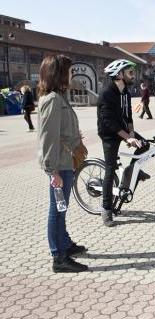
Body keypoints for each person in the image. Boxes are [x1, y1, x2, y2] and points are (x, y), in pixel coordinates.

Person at [37, 55, 88, 273]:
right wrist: (52, 170)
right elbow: (47, 138)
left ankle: (64, 243)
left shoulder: (60, 97)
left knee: (62, 208)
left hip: (66, 162)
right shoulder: (52, 100)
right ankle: (59, 257)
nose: (71, 75)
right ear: (58, 73)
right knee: (57, 210)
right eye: (69, 71)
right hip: (59, 165)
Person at [97, 59, 148, 227]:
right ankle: (106, 210)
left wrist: (132, 134)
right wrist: (127, 137)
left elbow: (128, 116)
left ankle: (131, 171)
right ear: (119, 75)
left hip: (124, 131)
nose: (133, 75)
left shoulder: (125, 92)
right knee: (110, 170)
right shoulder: (107, 93)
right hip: (109, 134)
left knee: (145, 145)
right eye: (130, 72)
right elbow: (108, 122)